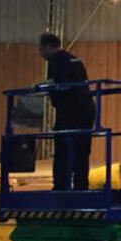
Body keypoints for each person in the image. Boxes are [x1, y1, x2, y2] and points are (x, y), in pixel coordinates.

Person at [38, 32, 96, 191]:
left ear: (49, 47)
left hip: (71, 110)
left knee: (63, 148)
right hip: (86, 109)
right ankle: (81, 186)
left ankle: (61, 187)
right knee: (82, 150)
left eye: (41, 49)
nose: (40, 53)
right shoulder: (75, 59)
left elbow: (56, 83)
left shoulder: (56, 61)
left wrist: (39, 87)